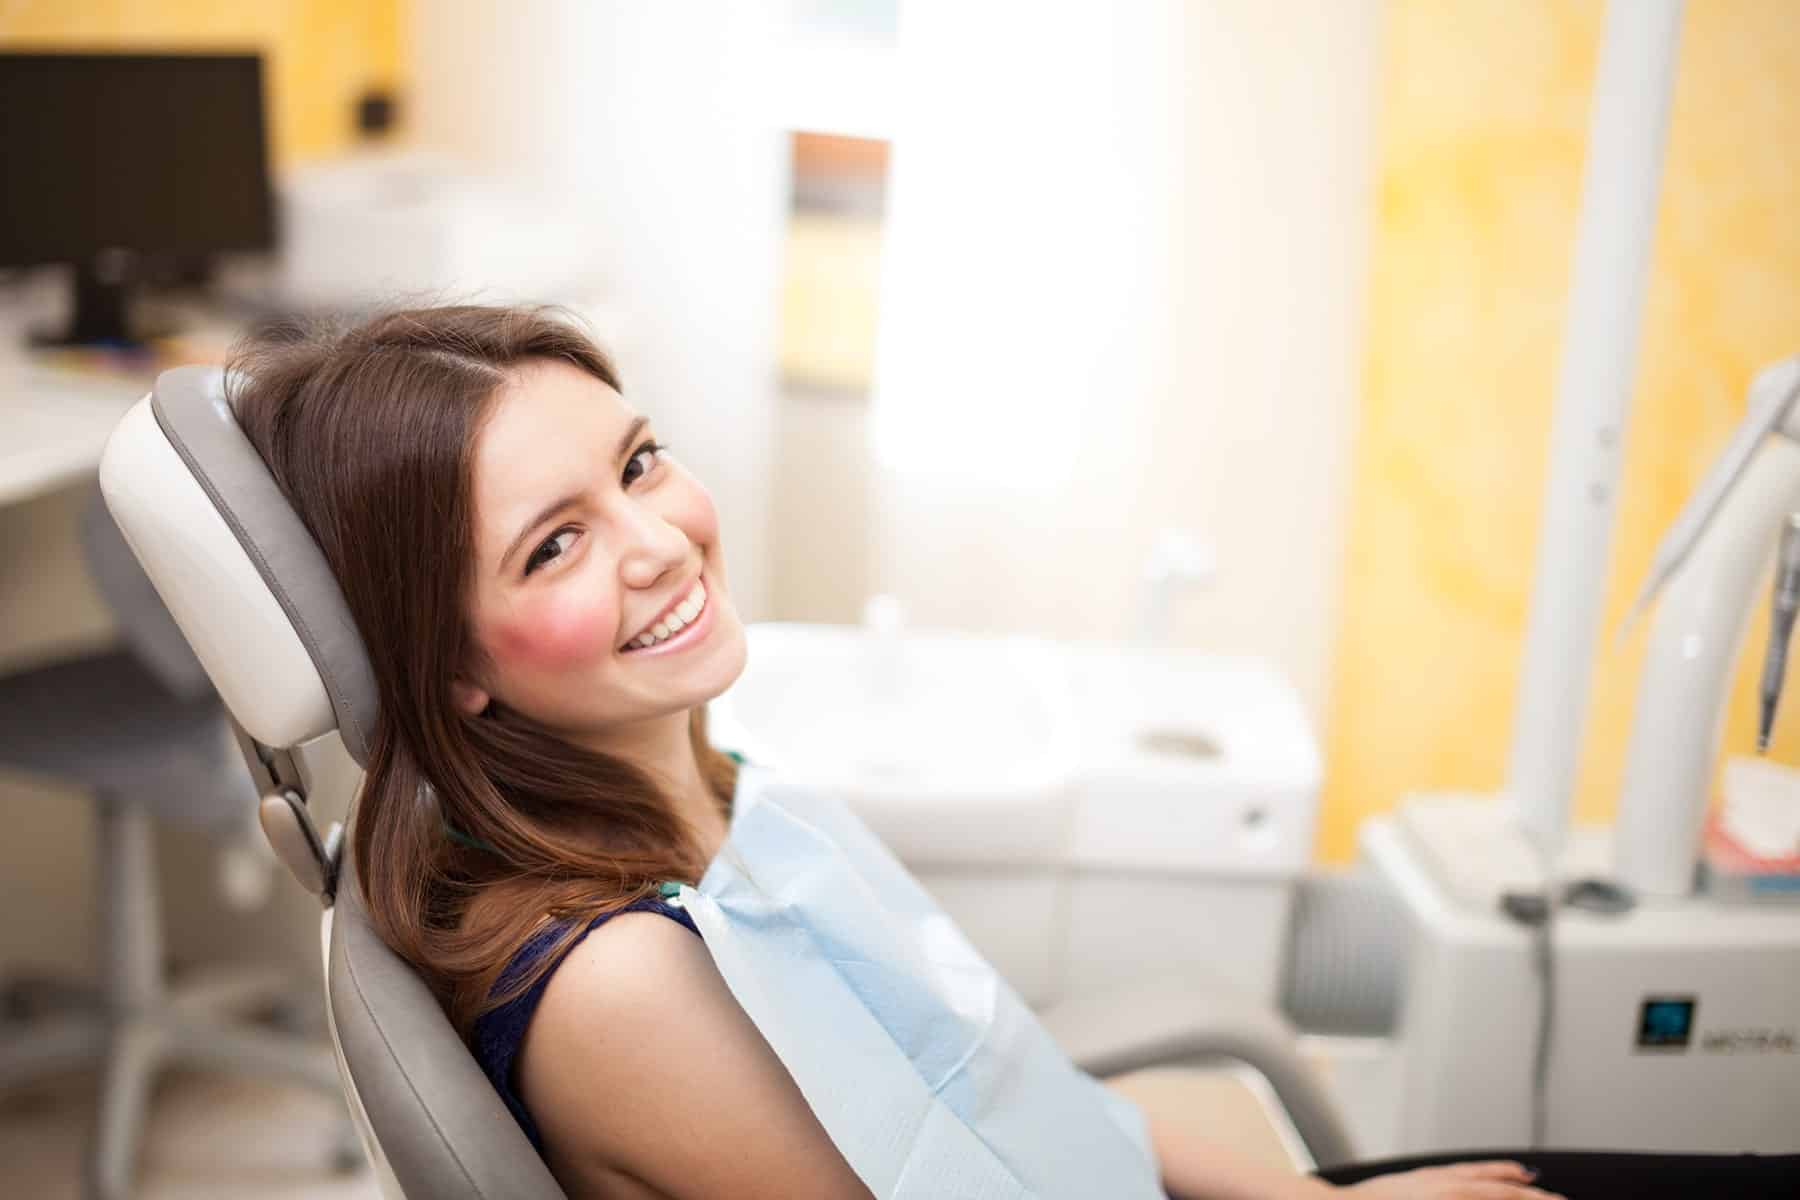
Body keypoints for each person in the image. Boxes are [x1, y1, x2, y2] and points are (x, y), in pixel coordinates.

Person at [221, 305, 1638, 1199]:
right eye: (556, 543)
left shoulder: (724, 801)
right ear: (451, 667)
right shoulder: (624, 986)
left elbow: (1011, 1086)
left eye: (639, 464)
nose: (663, 542)